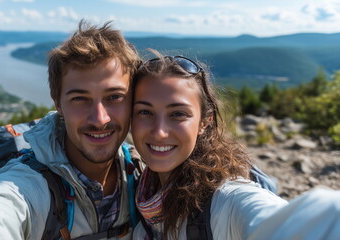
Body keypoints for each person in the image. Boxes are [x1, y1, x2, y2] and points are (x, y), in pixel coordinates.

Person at [0, 21, 142, 240]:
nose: (99, 119)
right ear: (57, 103)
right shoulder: (29, 184)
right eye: (80, 99)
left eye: (114, 97)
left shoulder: (144, 173)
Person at [131, 52, 340, 240]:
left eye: (178, 114)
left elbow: (320, 218)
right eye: (145, 112)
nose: (159, 132)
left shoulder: (225, 201)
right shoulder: (140, 194)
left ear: (205, 122)